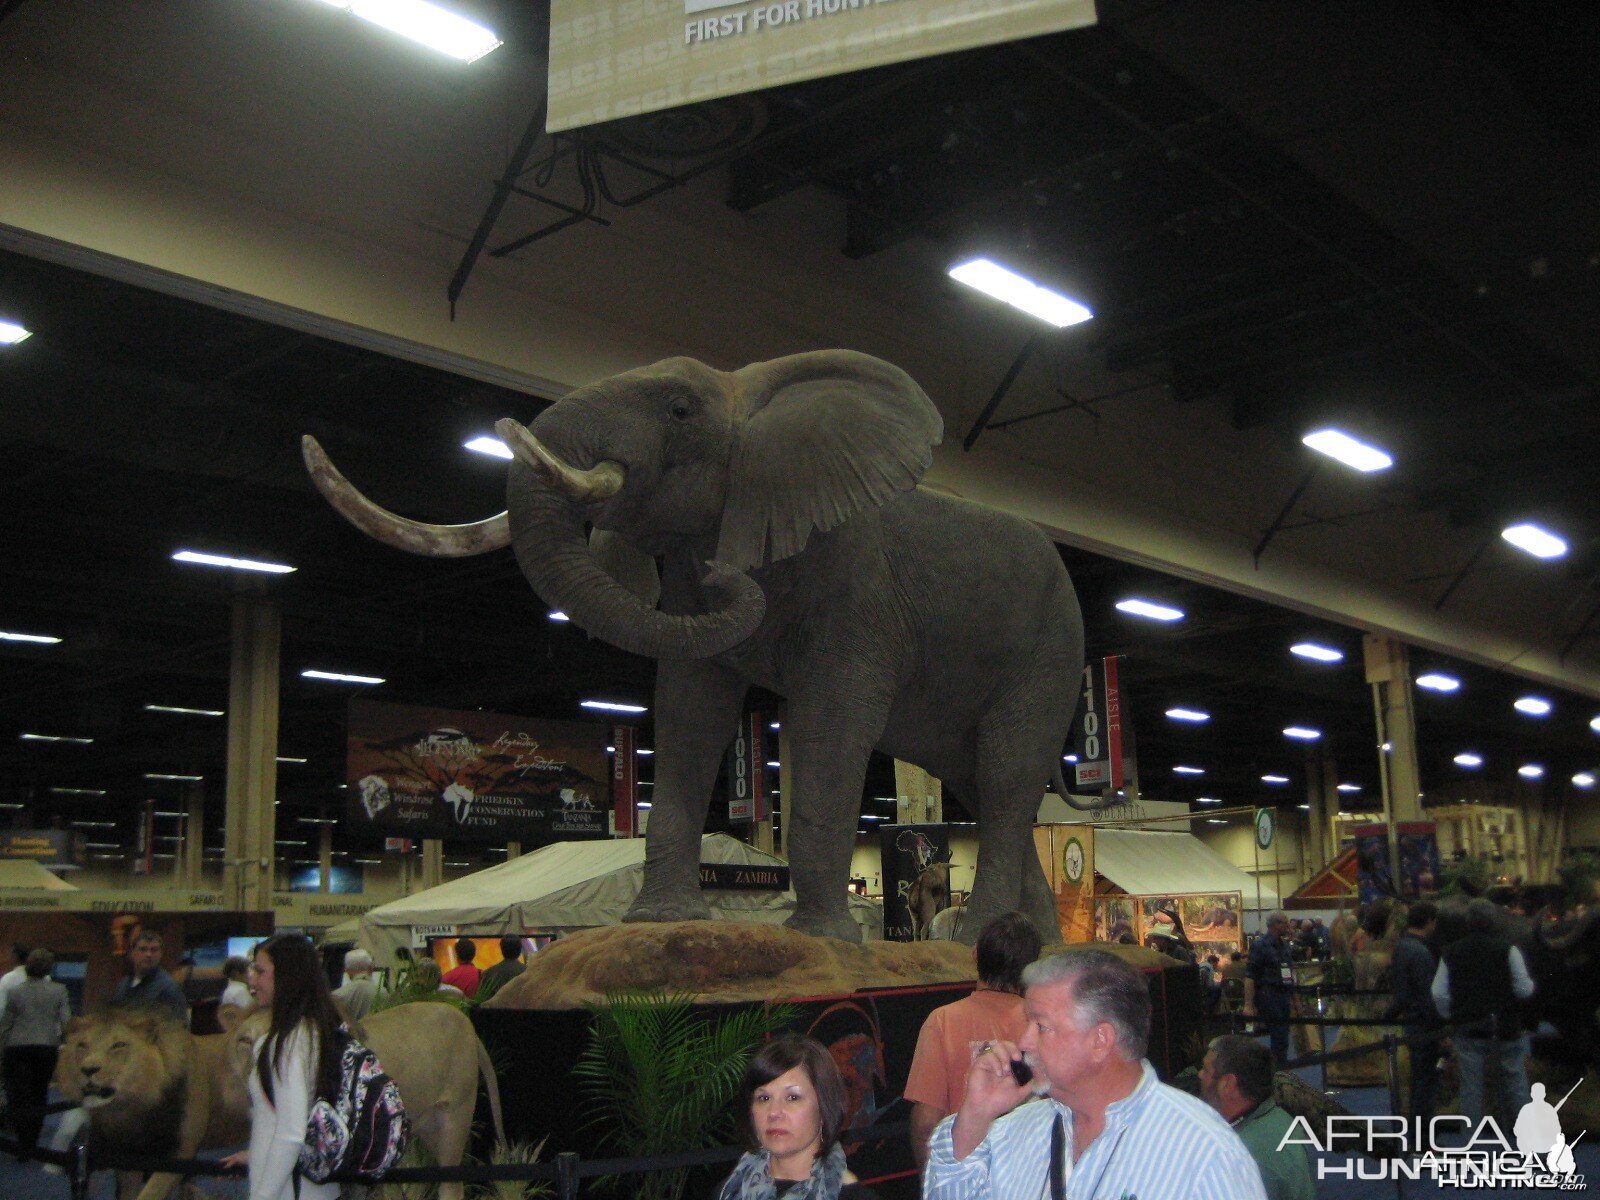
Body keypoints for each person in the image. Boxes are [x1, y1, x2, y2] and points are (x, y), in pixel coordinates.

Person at [922, 949, 1267, 1200]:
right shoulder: (1013, 1133)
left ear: (1100, 1040)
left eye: (1040, 1025)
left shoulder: (1203, 1153)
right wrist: (974, 1117)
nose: (1023, 1041)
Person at [905, 912, 1040, 1167]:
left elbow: (925, 1123)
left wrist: (935, 1185)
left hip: (965, 1173)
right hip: (1032, 1173)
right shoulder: (1045, 1023)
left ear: (975, 954)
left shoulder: (942, 1022)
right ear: (1030, 967)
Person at [219, 935, 344, 1200]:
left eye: (261, 971)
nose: (252, 981)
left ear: (287, 975)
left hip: (291, 1191)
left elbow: (291, 1133)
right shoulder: (316, 1030)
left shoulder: (289, 1041)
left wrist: (262, 1196)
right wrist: (257, 1154)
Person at [717, 1034, 879, 1200]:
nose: (774, 1112)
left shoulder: (852, 1197)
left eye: (793, 1097)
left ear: (824, 1106)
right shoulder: (730, 1191)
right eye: (764, 1098)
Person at [1432, 898, 1535, 1130]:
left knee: (1471, 1089)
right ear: (1494, 922)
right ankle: (1528, 1141)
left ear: (1467, 923)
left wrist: (1453, 1016)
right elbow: (1524, 989)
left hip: (1468, 1030)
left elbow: (1438, 994)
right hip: (1506, 1027)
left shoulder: (1451, 952)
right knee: (1516, 1085)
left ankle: (1470, 1146)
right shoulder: (1509, 950)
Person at [1198, 1035, 1314, 1200]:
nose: (1200, 1075)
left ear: (1227, 1083)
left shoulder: (1243, 1156)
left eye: (1206, 1070)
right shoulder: (1279, 1117)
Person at [0, 949, 71, 1149]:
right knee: (40, 1093)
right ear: (50, 968)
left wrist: (0, 1053)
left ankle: (22, 1141)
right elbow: (66, 1022)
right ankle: (33, 1141)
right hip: (46, 1048)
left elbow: (5, 1026)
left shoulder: (15, 992)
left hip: (17, 1048)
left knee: (19, 1095)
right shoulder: (60, 991)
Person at [1384, 901, 1442, 1127]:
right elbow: (1427, 996)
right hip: (1423, 1026)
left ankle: (1417, 1136)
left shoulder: (1401, 947)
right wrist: (1439, 1031)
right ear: (1429, 921)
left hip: (1410, 1021)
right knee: (1425, 1084)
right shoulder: (1421, 953)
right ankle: (1423, 1139)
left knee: (1418, 1080)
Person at [1243, 912, 1295, 1065]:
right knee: (1279, 1036)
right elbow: (1250, 975)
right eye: (1285, 923)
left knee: (1284, 1036)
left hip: (1284, 994)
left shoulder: (1284, 945)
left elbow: (1289, 972)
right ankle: (1277, 1071)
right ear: (1275, 925)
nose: (1288, 926)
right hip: (1268, 995)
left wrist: (1295, 998)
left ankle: (1281, 1069)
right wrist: (1248, 1004)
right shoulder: (1260, 945)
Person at [112, 929, 189, 1022]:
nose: (148, 954)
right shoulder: (123, 985)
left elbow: (179, 1029)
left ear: (160, 954)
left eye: (154, 950)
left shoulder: (168, 988)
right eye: (143, 949)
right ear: (133, 953)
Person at [332, 949, 380, 1019]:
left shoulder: (336, 996)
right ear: (371, 967)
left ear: (347, 971)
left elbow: (335, 1025)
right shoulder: (383, 992)